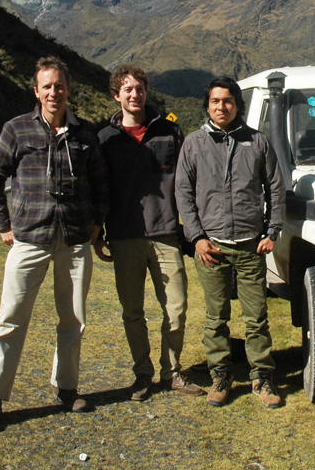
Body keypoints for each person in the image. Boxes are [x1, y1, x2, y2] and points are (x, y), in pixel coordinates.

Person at [0, 56, 108, 434]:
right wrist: (4, 225)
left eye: (59, 86)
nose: (53, 92)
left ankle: (67, 388)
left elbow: (100, 182)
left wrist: (98, 221)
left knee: (74, 319)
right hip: (29, 238)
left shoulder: (84, 134)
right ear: (36, 91)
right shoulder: (16, 130)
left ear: (68, 90)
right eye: (46, 86)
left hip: (75, 240)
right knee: (10, 319)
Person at [174, 77, 287, 409]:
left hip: (251, 246)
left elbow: (275, 189)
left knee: (257, 317)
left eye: (227, 101)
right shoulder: (194, 143)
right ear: (207, 105)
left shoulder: (257, 142)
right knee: (216, 316)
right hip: (212, 248)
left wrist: (272, 232)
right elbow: (183, 193)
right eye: (214, 101)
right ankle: (220, 376)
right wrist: (196, 238)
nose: (220, 107)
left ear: (237, 105)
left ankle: (262, 378)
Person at [96, 65, 205, 401]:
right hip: (124, 234)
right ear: (117, 95)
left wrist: (194, 228)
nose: (134, 94)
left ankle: (171, 371)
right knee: (133, 311)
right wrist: (97, 230)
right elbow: (100, 188)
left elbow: (188, 182)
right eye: (127, 89)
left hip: (166, 233)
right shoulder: (106, 139)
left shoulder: (170, 133)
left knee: (177, 306)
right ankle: (142, 374)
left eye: (139, 88)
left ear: (146, 92)